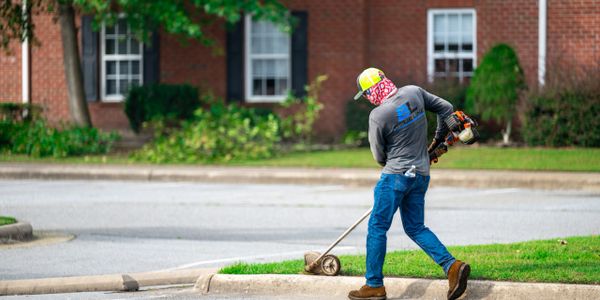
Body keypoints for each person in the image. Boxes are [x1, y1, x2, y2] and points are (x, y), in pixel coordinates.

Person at [347, 68, 470, 300]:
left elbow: (378, 156)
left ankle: (374, 285)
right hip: (421, 175)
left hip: (395, 176)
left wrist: (396, 162)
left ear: (371, 92)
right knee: (415, 227)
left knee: (377, 227)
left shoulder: (378, 115)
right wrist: (436, 139)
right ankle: (452, 267)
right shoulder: (413, 92)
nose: (365, 98)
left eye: (365, 94)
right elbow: (446, 108)